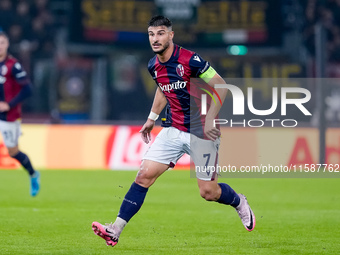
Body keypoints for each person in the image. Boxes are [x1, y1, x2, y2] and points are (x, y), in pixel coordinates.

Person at [92, 15, 255, 247]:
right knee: (144, 176)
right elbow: (162, 88)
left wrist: (210, 119)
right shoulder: (153, 65)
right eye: (151, 34)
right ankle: (115, 229)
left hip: (201, 132)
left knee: (208, 192)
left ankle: (238, 201)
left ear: (171, 35)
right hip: (172, 129)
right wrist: (151, 118)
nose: (155, 39)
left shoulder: (191, 60)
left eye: (160, 33)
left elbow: (220, 85)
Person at [0, 31, 40, 196]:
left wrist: (9, 104)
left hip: (9, 115)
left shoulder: (13, 65)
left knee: (13, 152)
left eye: (2, 42)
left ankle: (33, 174)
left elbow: (28, 89)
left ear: (7, 44)